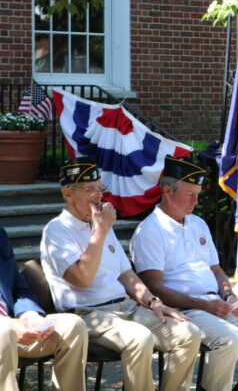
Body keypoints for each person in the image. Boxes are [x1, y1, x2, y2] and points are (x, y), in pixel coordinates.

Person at [40, 157, 202, 391]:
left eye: (100, 189)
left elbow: (126, 273)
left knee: (188, 334)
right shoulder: (58, 230)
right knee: (140, 338)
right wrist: (101, 231)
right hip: (88, 314)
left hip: (126, 308)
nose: (98, 196)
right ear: (68, 193)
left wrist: (153, 301)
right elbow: (82, 278)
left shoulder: (100, 223)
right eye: (89, 190)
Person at [130, 156, 238, 391]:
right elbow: (154, 287)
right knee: (231, 339)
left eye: (198, 194)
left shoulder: (197, 223)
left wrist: (229, 296)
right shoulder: (149, 231)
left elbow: (216, 271)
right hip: (185, 310)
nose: (195, 201)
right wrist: (206, 306)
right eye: (189, 194)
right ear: (167, 190)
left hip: (215, 305)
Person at [0, 228, 88, 391]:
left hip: (13, 329)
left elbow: (18, 288)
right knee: (4, 330)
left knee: (73, 325)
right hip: (5, 330)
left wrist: (30, 316)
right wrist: (9, 324)